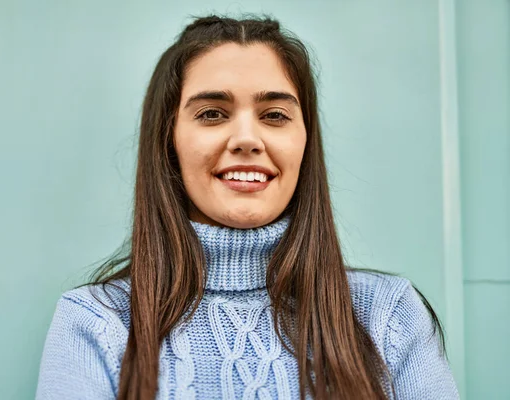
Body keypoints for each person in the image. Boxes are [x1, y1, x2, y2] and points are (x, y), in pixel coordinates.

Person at [35, 15, 459, 400]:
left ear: (305, 141)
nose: (246, 139)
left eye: (274, 115)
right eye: (213, 114)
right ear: (170, 141)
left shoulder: (388, 315)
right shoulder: (95, 323)